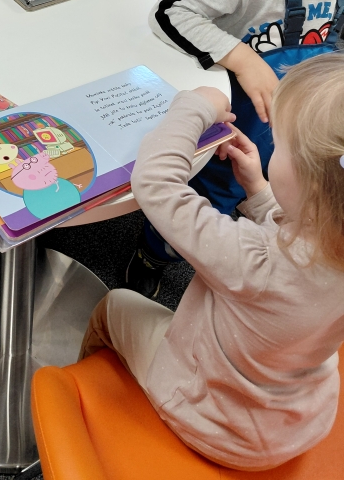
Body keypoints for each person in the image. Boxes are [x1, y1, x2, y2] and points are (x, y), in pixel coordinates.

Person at [81, 54, 344, 471]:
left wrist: (196, 106)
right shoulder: (328, 237)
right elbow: (308, 234)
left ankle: (86, 396)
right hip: (298, 422)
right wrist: (258, 190)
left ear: (310, 185)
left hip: (213, 422)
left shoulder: (255, 260)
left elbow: (156, 184)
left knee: (114, 305)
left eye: (280, 146)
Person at [128, 0, 344, 299]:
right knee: (202, 206)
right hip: (233, 137)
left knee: (265, 212)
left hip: (291, 137)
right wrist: (243, 59)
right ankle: (153, 254)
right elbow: (170, 10)